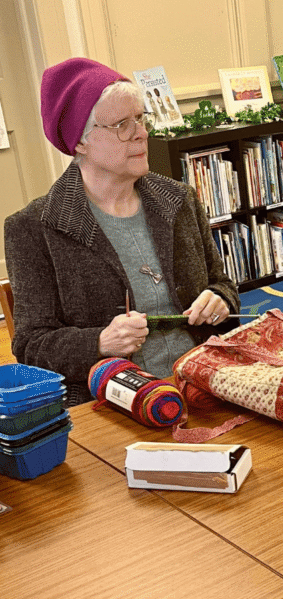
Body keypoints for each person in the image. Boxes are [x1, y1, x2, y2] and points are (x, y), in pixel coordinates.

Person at [4, 57, 240, 407]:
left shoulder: (178, 199)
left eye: (141, 118)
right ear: (79, 142)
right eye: (121, 124)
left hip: (206, 381)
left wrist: (221, 300)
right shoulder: (32, 228)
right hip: (111, 403)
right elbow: (30, 345)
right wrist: (100, 342)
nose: (142, 132)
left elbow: (224, 285)